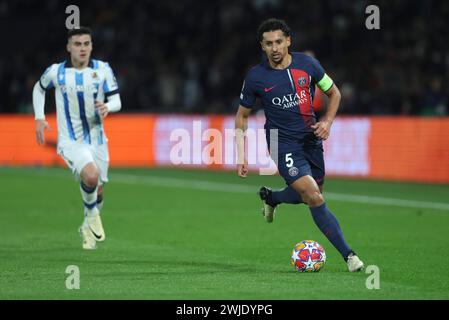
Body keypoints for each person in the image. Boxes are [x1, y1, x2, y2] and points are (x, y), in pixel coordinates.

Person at [235, 18, 364, 272]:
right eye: (269, 43)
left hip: (311, 139)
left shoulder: (308, 65)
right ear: (262, 46)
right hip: (280, 142)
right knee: (314, 196)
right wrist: (242, 154)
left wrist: (327, 121)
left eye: (279, 42)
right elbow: (242, 116)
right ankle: (350, 256)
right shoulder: (256, 77)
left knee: (309, 195)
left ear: (288, 41)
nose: (275, 48)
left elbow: (334, 93)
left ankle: (271, 197)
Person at [32, 27, 121, 250]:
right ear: (69, 47)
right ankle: (91, 215)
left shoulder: (103, 69)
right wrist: (39, 117)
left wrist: (107, 106)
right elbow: (39, 88)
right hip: (71, 141)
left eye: (86, 44)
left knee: (98, 190)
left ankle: (85, 226)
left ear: (91, 45)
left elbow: (117, 101)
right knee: (91, 176)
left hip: (98, 140)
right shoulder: (57, 72)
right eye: (78, 44)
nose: (83, 48)